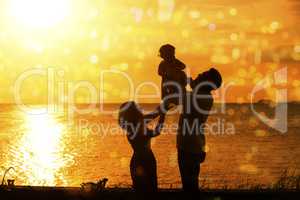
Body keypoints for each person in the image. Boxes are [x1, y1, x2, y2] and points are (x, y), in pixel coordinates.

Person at [177, 68, 222, 192]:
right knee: (190, 184)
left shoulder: (198, 97)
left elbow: (178, 97)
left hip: (188, 146)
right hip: (194, 144)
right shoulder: (204, 96)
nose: (198, 74)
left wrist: (181, 80)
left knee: (189, 186)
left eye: (202, 75)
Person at [118, 102, 165, 193]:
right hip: (146, 160)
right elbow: (156, 132)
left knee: (140, 190)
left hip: (137, 160)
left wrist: (161, 108)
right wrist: (163, 116)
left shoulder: (130, 126)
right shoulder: (138, 127)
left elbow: (152, 116)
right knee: (150, 190)